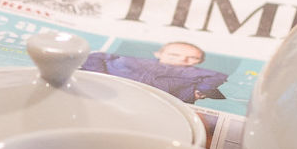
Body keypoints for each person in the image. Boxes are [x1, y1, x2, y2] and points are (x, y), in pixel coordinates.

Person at [80, 40, 228, 103]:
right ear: (158, 54)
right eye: (174, 55)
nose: (183, 60)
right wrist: (101, 76)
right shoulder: (133, 60)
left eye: (192, 58)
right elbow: (95, 56)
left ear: (200, 61)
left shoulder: (196, 72)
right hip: (106, 92)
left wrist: (201, 91)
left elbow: (218, 76)